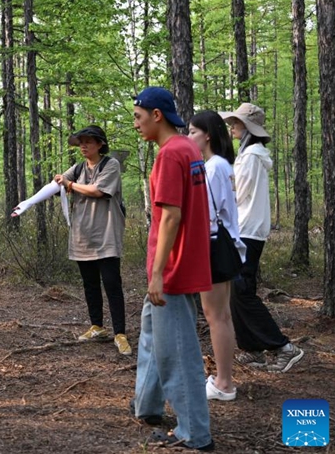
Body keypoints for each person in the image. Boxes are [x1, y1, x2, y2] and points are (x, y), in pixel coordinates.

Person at [131, 87, 214, 451]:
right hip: (178, 264)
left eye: (138, 116)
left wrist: (158, 274)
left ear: (157, 115)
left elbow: (171, 218)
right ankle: (147, 407)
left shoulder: (170, 155)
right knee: (153, 337)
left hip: (173, 270)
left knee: (177, 352)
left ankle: (194, 432)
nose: (136, 123)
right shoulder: (188, 148)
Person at [12, 125, 131, 356]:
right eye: (81, 142)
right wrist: (41, 194)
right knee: (90, 283)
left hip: (105, 233)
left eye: (89, 142)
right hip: (82, 235)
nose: (84, 146)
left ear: (100, 144)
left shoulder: (111, 165)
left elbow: (98, 191)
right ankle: (97, 326)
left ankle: (120, 333)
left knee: (112, 284)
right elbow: (59, 182)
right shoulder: (78, 168)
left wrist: (69, 185)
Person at [219, 103, 304, 373]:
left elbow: (238, 194)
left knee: (243, 290)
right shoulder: (248, 153)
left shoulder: (253, 155)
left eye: (237, 122)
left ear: (248, 128)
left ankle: (282, 347)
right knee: (237, 290)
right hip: (244, 229)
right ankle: (253, 349)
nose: (232, 126)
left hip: (247, 230)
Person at [188, 111, 247, 401]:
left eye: (192, 132)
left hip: (214, 247)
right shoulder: (220, 165)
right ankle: (224, 378)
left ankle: (224, 383)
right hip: (223, 246)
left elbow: (208, 215)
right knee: (220, 315)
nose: (189, 138)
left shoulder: (213, 167)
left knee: (216, 316)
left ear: (207, 135)